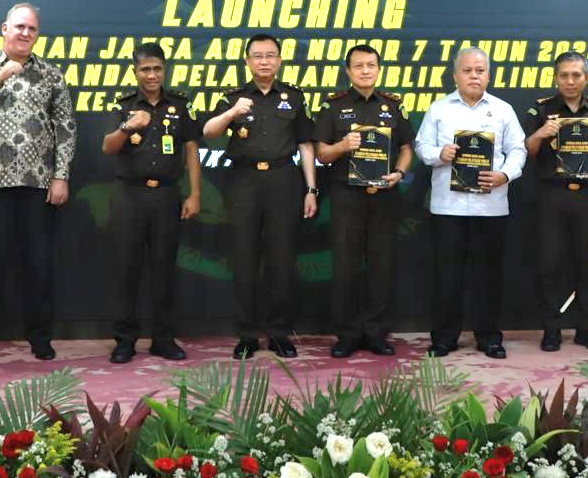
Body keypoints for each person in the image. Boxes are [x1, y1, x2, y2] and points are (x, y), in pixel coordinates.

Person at [0, 2, 76, 366]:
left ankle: (39, 337)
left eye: (32, 29)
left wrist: (61, 175)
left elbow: (66, 128)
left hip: (38, 184)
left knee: (38, 265)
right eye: (20, 26)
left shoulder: (51, 75)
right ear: (4, 28)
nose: (25, 33)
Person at [202, 34, 318, 359]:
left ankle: (280, 334)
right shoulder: (234, 97)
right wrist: (231, 113)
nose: (264, 61)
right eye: (257, 56)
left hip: (284, 180)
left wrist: (311, 188)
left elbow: (306, 145)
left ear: (279, 60)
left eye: (270, 55)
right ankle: (248, 335)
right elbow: (208, 132)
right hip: (244, 181)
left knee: (282, 259)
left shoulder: (294, 97)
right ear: (247, 61)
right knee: (245, 259)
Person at [414, 47, 527, 359]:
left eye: (480, 70)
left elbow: (518, 150)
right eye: (467, 70)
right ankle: (444, 338)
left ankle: (489, 337)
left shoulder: (503, 110)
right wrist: (439, 154)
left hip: (491, 207)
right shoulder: (438, 109)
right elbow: (422, 146)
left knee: (487, 276)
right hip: (447, 207)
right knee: (446, 275)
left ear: (488, 75)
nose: (474, 76)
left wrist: (505, 174)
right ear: (455, 75)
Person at [313, 44, 415, 358]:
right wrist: (343, 145)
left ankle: (375, 333)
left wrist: (400, 172)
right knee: (345, 266)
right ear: (348, 71)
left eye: (371, 65)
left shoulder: (393, 105)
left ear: (379, 69)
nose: (365, 70)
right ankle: (346, 334)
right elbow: (321, 153)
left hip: (384, 196)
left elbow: (407, 148)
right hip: (346, 196)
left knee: (381, 265)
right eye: (358, 65)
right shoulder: (334, 106)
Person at [101, 43, 201, 363]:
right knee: (126, 269)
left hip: (166, 195)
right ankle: (124, 340)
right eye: (145, 69)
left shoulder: (179, 105)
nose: (152, 75)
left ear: (164, 69)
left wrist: (195, 194)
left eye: (157, 68)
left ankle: (163, 339)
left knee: (164, 269)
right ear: (135, 72)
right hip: (129, 196)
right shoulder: (123, 106)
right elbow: (108, 147)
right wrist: (127, 126)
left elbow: (191, 150)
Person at [523, 51, 588, 352]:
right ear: (555, 78)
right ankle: (551, 331)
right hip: (552, 194)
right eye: (564, 75)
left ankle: (587, 330)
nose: (570, 81)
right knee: (550, 264)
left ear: (586, 78)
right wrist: (540, 133)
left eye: (576, 75)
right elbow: (527, 151)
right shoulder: (541, 109)